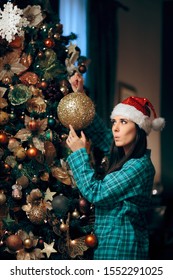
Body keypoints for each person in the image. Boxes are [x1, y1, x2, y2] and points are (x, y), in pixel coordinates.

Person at [66, 72, 165, 260]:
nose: (116, 128)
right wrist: (81, 96)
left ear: (139, 129)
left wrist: (79, 153)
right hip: (108, 242)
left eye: (124, 122)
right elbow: (102, 133)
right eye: (114, 121)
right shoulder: (124, 154)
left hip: (121, 247)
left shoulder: (139, 166)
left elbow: (96, 193)